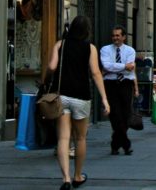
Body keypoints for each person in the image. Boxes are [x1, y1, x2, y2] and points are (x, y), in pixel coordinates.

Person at [46, 16, 110, 190]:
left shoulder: (61, 44)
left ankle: (65, 178)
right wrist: (104, 98)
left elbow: (52, 67)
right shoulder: (90, 48)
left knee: (63, 138)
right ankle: (77, 175)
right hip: (82, 97)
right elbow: (96, 73)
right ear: (87, 30)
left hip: (62, 96)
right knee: (80, 138)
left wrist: (46, 78)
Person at [99, 25, 137, 156]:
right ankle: (126, 145)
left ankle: (115, 144)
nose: (115, 38)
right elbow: (106, 65)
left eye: (118, 35)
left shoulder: (130, 50)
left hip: (126, 84)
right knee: (114, 114)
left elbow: (130, 67)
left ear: (124, 37)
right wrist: (124, 66)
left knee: (126, 115)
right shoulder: (105, 49)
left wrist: (115, 67)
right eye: (113, 35)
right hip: (110, 84)